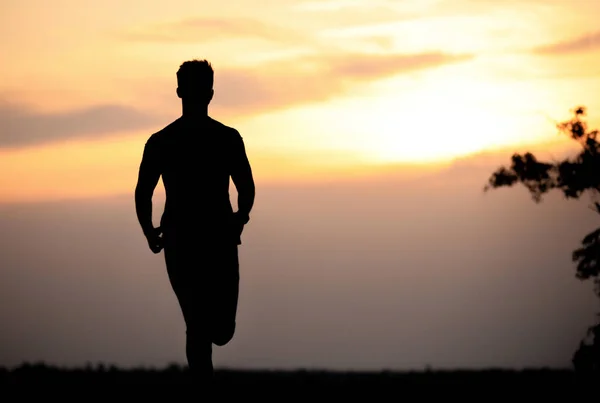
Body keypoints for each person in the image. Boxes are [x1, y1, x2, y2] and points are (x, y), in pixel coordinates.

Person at [134, 59, 255, 383]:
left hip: (215, 239)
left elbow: (246, 188)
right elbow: (142, 193)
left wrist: (239, 221)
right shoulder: (163, 141)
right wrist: (150, 232)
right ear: (210, 94)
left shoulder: (225, 138)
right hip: (185, 240)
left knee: (221, 330)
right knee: (198, 323)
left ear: (180, 92)